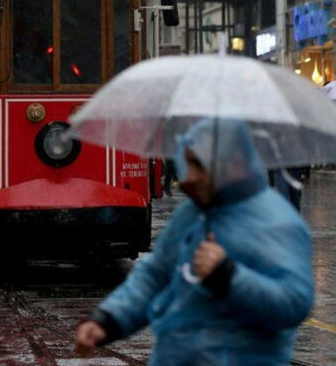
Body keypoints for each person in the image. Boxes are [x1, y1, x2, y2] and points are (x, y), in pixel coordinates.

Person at [75, 118, 313, 364]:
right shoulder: (192, 214)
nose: (190, 176)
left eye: (200, 164)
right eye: (187, 163)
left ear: (234, 164)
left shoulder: (277, 222)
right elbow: (155, 276)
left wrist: (228, 276)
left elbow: (293, 303)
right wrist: (108, 320)